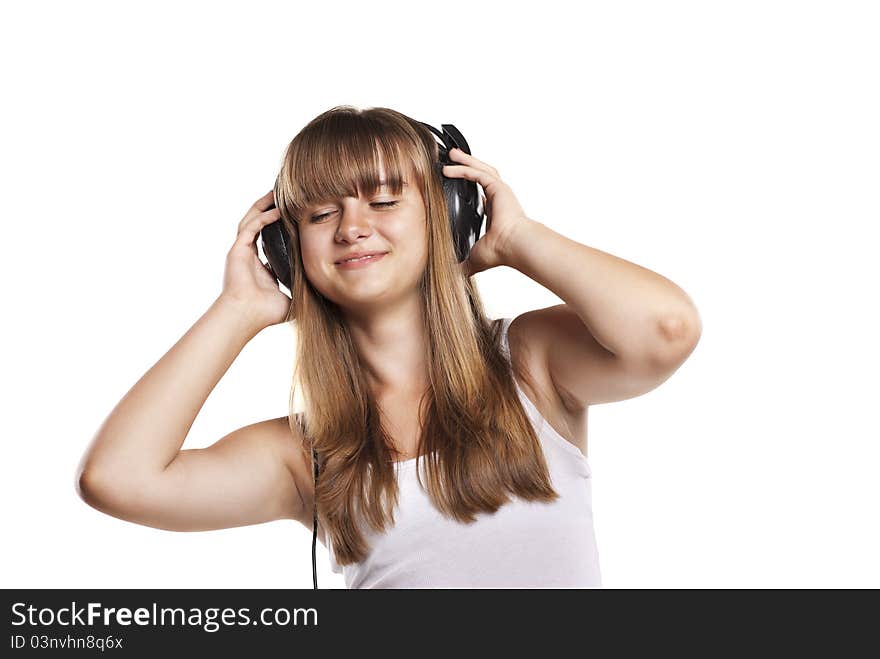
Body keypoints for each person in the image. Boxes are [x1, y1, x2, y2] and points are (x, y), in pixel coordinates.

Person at [76, 105, 702, 588]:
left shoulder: (533, 364)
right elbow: (116, 479)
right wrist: (238, 310)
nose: (352, 227)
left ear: (448, 215)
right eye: (320, 216)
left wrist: (517, 239)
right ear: (287, 251)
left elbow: (666, 330)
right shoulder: (307, 454)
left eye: (383, 199)